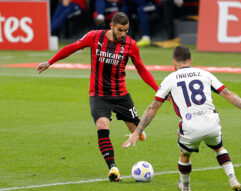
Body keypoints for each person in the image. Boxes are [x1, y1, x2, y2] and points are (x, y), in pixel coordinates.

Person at [122, 46, 241, 191]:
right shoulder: (205, 74)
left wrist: (137, 131)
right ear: (191, 60)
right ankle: (233, 179)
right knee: (218, 148)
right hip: (212, 121)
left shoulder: (170, 79)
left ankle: (185, 186)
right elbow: (227, 93)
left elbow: (153, 108)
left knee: (185, 154)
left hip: (191, 124)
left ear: (173, 61)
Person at [37, 12, 159, 182]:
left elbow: (141, 69)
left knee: (137, 133)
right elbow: (72, 47)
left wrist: (158, 90)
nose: (124, 34)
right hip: (98, 95)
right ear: (111, 26)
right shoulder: (94, 37)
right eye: (120, 30)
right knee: (102, 126)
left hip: (121, 95)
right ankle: (113, 168)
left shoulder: (131, 45)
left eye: (126, 30)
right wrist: (50, 62)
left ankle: (138, 131)